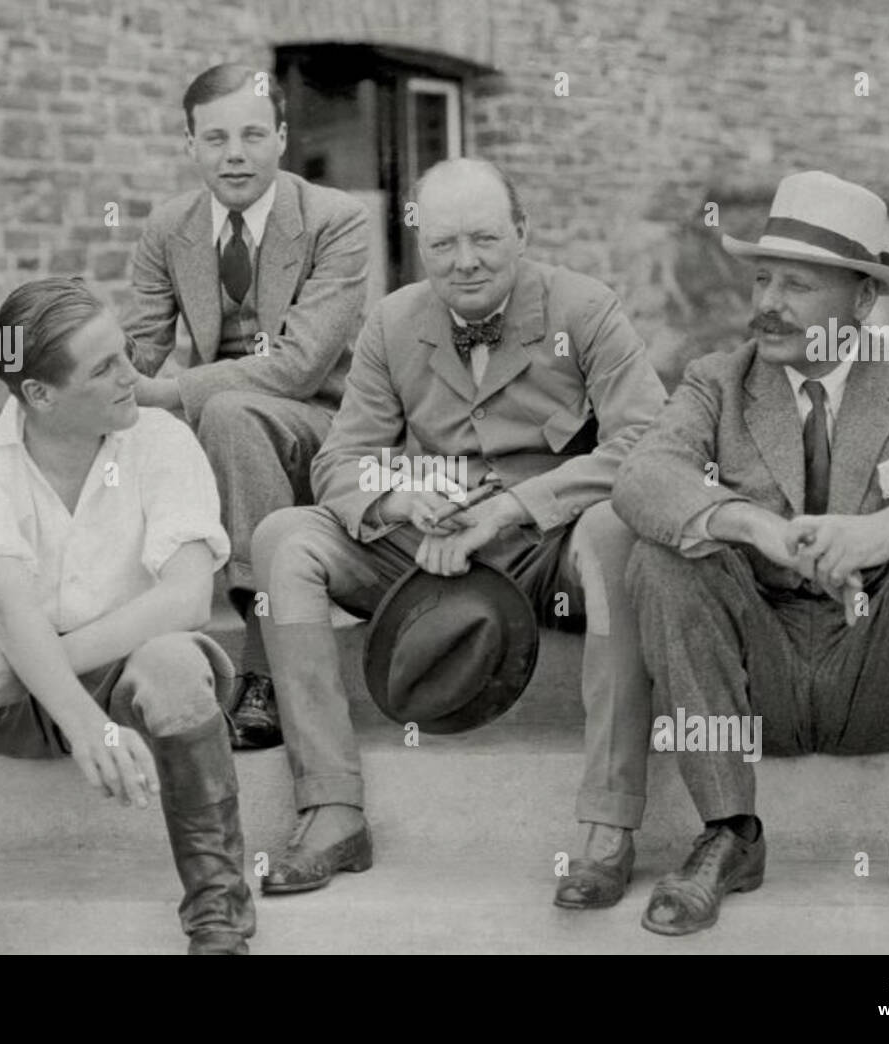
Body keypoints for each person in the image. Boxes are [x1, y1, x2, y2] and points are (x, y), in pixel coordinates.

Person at [615, 171, 889, 945]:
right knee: (663, 556)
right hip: (755, 680)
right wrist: (751, 524)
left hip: (877, 673)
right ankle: (728, 832)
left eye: (799, 285)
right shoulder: (718, 379)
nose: (769, 302)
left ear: (862, 303)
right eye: (763, 277)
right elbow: (643, 477)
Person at [250, 158, 666, 905]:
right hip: (430, 542)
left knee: (615, 534)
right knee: (286, 539)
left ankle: (608, 825)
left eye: (484, 239)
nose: (464, 261)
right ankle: (333, 809)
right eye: (442, 245)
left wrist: (509, 509)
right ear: (418, 246)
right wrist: (399, 498)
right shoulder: (393, 321)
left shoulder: (587, 309)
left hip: (551, 545)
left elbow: (646, 443)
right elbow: (344, 459)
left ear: (523, 233)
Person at [0, 277, 255, 955]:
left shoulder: (161, 440)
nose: (135, 376)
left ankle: (220, 926)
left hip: (128, 673)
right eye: (106, 368)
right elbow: (6, 606)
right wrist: (72, 711)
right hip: (28, 693)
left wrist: (30, 669)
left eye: (125, 353)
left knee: (177, 664)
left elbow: (185, 599)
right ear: (40, 395)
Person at [123, 63, 370, 750]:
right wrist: (80, 383)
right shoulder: (170, 227)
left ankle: (262, 673)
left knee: (228, 412)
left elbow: (300, 366)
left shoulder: (335, 222)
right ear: (190, 145)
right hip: (222, 433)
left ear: (283, 138)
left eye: (254, 134)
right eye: (217, 138)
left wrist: (172, 393)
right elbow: (138, 347)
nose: (236, 154)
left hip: (323, 427)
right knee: (139, 428)